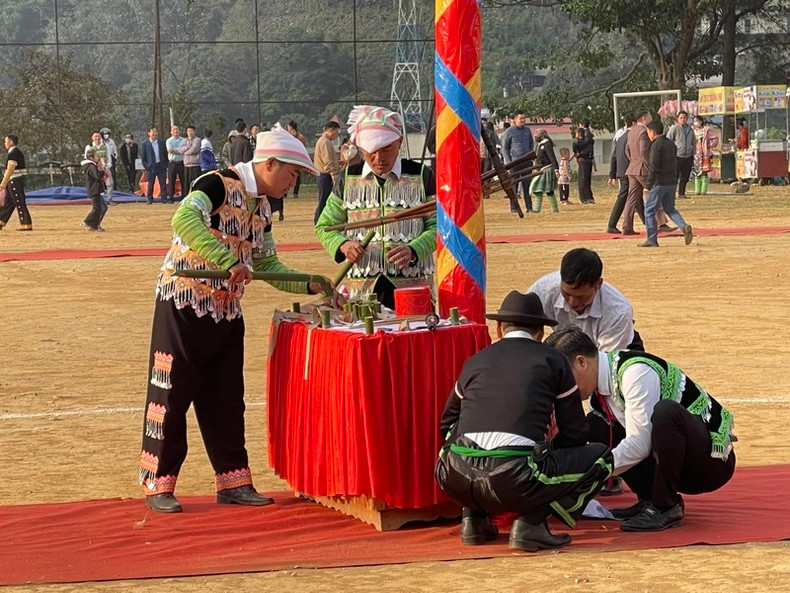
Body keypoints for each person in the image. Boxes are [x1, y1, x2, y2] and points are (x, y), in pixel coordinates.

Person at [139, 127, 330, 513]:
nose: (293, 183)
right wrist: (227, 261)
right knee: (172, 393)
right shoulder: (216, 183)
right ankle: (158, 482)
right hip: (184, 303)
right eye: (291, 174)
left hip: (226, 309)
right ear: (270, 163)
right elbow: (184, 221)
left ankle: (233, 481)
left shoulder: (261, 208)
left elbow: (266, 264)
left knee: (227, 397)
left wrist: (309, 283)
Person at [435, 291, 613, 551]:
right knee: (602, 458)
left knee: (462, 440)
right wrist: (546, 453)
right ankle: (532, 523)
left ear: (499, 328)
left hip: (452, 476)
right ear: (540, 333)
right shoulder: (553, 360)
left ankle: (473, 518)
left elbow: (447, 423)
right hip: (515, 479)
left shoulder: (475, 361)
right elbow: (575, 432)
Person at [546, 326, 736, 531]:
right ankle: (649, 499)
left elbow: (640, 444)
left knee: (666, 413)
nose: (563, 387)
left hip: (708, 465)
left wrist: (592, 472)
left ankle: (666, 506)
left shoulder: (634, 372)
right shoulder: (599, 392)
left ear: (582, 362)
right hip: (674, 459)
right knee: (595, 424)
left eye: (565, 376)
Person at [315, 105, 436, 308]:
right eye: (370, 151)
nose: (379, 159)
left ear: (400, 142)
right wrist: (344, 245)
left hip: (414, 289)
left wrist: (414, 250)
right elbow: (324, 226)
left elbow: (439, 226)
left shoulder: (422, 174)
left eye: (386, 148)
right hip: (363, 293)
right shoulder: (347, 178)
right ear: (360, 148)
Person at [528, 247, 642, 352]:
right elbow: (521, 328)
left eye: (581, 297)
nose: (572, 302)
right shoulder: (543, 291)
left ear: (598, 284)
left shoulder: (618, 312)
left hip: (616, 350)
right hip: (567, 346)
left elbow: (606, 364)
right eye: (566, 294)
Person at [639, 121, 693, 248]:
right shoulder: (671, 144)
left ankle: (652, 239)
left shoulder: (656, 146)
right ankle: (683, 226)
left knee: (649, 210)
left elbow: (654, 167)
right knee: (670, 208)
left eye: (648, 132)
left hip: (659, 182)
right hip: (671, 182)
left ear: (652, 132)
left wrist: (648, 185)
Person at [607, 114, 640, 234]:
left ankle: (649, 223)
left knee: (636, 198)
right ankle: (611, 224)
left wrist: (612, 174)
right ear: (634, 124)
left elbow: (614, 157)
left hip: (621, 171)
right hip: (630, 170)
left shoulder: (620, 138)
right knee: (624, 197)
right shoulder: (633, 137)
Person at [501, 111, 534, 213]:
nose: (523, 120)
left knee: (527, 186)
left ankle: (529, 207)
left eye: (524, 118)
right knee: (514, 186)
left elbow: (531, 144)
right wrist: (509, 162)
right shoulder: (509, 131)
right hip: (514, 163)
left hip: (526, 162)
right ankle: (514, 208)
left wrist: (530, 157)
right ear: (515, 120)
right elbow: (505, 148)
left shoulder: (527, 130)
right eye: (521, 118)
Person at [0, 134, 32, 231]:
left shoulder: (13, 153)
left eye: (6, 141)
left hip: (15, 180)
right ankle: (1, 220)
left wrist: (3, 183)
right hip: (13, 180)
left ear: (11, 142)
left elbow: (10, 169)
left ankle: (26, 224)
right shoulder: (15, 152)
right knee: (9, 202)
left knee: (19, 202)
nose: (4, 144)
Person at [313, 121, 341, 224]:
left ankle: (320, 220)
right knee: (323, 200)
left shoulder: (324, 140)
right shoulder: (325, 142)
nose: (337, 135)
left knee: (324, 199)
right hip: (325, 175)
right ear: (331, 130)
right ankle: (318, 221)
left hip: (323, 174)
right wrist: (333, 173)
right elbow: (327, 160)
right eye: (337, 132)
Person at [666, 110, 695, 198]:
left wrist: (693, 153)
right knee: (675, 176)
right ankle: (672, 193)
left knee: (685, 176)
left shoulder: (690, 129)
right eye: (681, 118)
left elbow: (693, 142)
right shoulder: (674, 129)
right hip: (677, 156)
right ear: (678, 119)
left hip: (688, 156)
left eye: (685, 118)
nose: (683, 120)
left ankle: (681, 193)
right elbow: (668, 140)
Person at [529, 129, 559, 213]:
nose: (535, 137)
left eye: (536, 135)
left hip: (546, 170)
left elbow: (552, 158)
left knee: (549, 191)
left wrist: (556, 169)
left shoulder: (546, 144)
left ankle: (554, 209)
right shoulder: (539, 145)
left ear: (541, 136)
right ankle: (536, 209)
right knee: (537, 190)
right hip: (540, 170)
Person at [140, 127, 169, 204]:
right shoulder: (145, 144)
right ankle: (149, 199)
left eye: (156, 132)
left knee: (163, 183)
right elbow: (143, 158)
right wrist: (147, 167)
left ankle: (164, 198)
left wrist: (165, 164)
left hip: (161, 165)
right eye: (153, 132)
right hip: (151, 167)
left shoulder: (162, 142)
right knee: (150, 184)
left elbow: (166, 155)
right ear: (149, 133)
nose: (155, 134)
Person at [81, 147, 106, 232]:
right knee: (97, 208)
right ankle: (87, 221)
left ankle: (94, 225)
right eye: (96, 156)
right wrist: (102, 168)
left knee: (101, 208)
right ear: (91, 157)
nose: (98, 157)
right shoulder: (91, 166)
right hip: (94, 189)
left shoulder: (91, 166)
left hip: (95, 189)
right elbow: (97, 176)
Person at [692, 115, 718, 195]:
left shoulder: (705, 130)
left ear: (701, 121)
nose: (696, 122)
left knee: (704, 171)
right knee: (696, 172)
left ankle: (703, 190)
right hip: (695, 153)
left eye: (697, 120)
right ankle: (697, 190)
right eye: (694, 121)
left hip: (704, 153)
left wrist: (709, 145)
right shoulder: (692, 130)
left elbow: (715, 138)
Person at [572, 124, 595, 204]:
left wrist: (577, 156)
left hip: (582, 160)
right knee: (587, 179)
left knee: (582, 180)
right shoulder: (589, 141)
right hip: (588, 160)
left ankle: (583, 198)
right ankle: (589, 197)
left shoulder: (576, 142)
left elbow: (575, 152)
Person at [166, 125, 186, 202]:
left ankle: (184, 196)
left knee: (183, 180)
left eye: (177, 129)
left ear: (179, 131)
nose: (175, 131)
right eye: (173, 130)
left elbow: (184, 150)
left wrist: (175, 150)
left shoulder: (184, 140)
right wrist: (179, 150)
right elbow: (169, 150)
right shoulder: (168, 141)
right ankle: (171, 197)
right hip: (172, 163)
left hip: (182, 162)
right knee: (171, 181)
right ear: (171, 132)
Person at [286, 121, 307, 198]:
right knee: (287, 176)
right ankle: (285, 192)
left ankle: (295, 193)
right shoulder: (289, 136)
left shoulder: (300, 138)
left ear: (292, 128)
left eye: (289, 128)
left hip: (297, 160)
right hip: (289, 159)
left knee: (297, 177)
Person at [99, 128, 117, 205]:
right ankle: (99, 200)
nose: (106, 135)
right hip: (98, 166)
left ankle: (109, 199)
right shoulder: (98, 144)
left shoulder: (111, 142)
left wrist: (110, 163)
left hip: (107, 165)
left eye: (107, 134)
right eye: (105, 134)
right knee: (99, 183)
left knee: (110, 182)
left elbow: (113, 153)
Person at [182, 125, 202, 191]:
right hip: (186, 166)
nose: (190, 132)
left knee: (196, 183)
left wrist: (185, 152)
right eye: (188, 131)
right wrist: (186, 149)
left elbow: (193, 150)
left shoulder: (197, 140)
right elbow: (181, 149)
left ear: (194, 132)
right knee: (187, 185)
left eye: (191, 131)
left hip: (195, 165)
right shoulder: (185, 140)